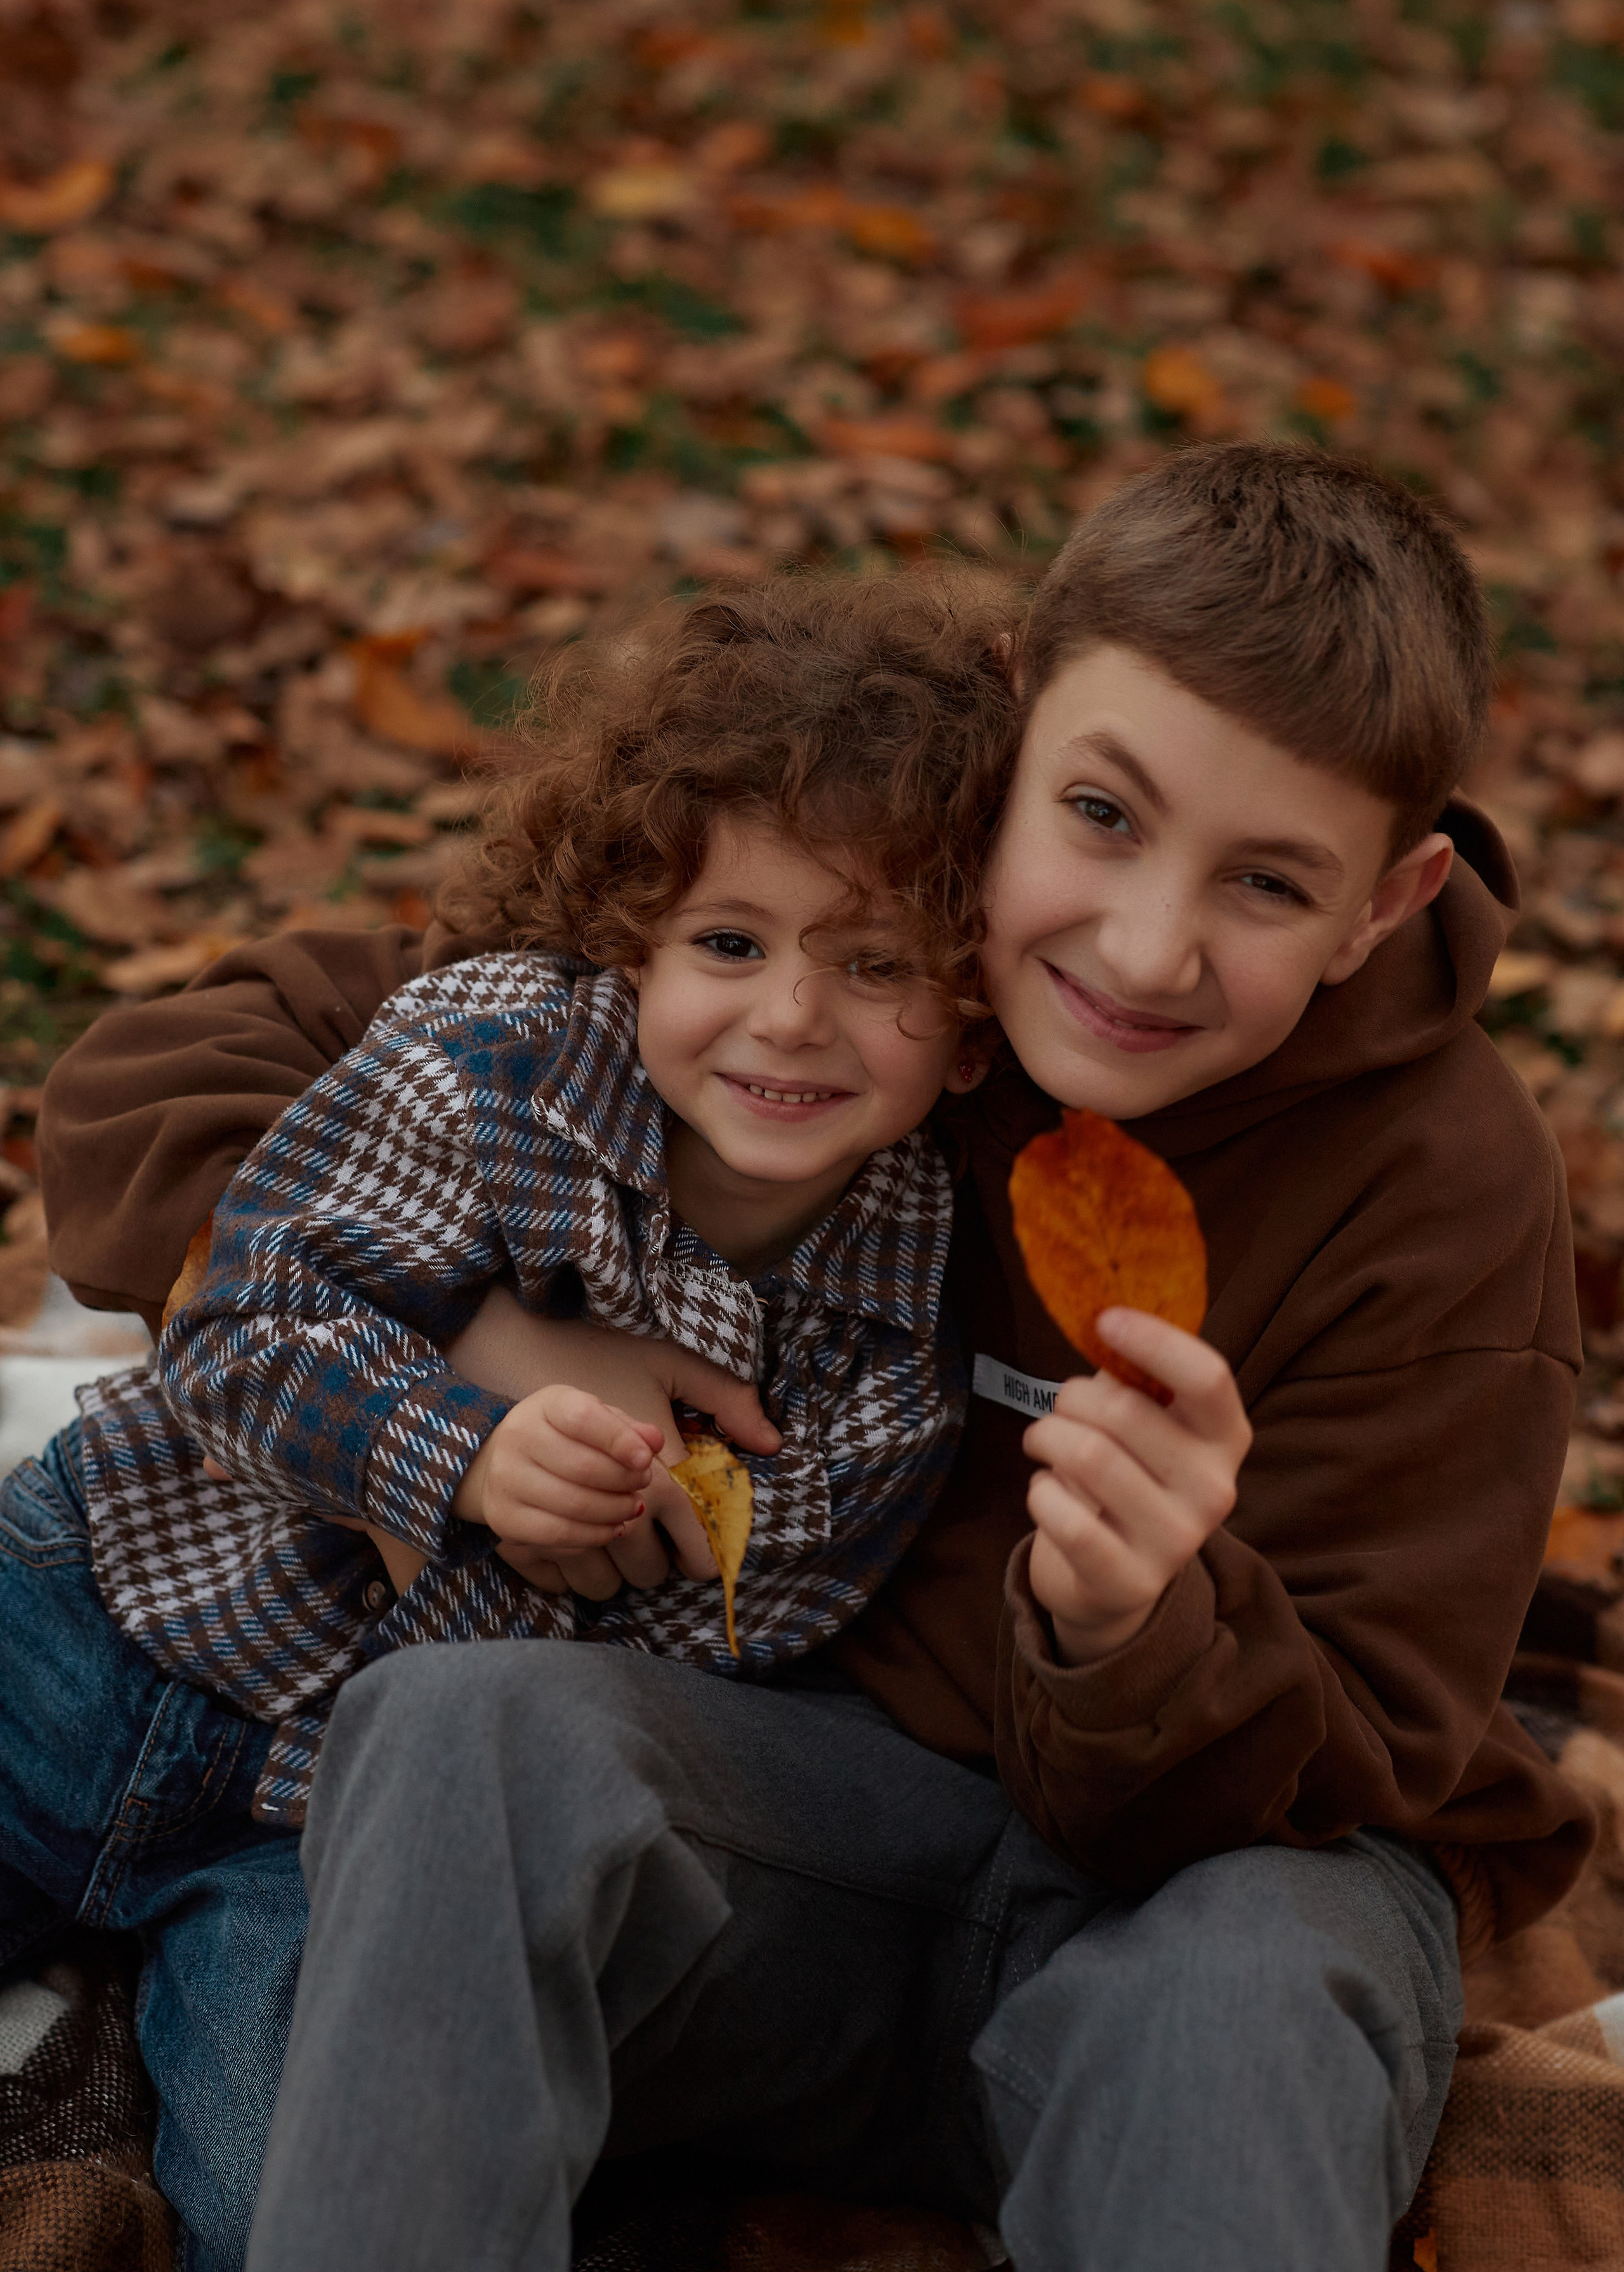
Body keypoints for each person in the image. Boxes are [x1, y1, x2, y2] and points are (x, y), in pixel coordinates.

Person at [37, 443, 1594, 2272]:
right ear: (1013, 725)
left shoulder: (1450, 1195)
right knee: (459, 1730)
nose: (1143, 947)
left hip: (1220, 1888)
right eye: (1101, 814)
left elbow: (1372, 1746)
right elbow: (203, 1072)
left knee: (1250, 1987)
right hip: (792, 1835)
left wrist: (1135, 1629)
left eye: (1268, 883)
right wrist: (486, 1338)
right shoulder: (835, 956)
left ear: (1386, 904)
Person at [1, 573, 1017, 2272]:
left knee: (308, 2197)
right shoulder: (499, 1059)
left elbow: (721, 1650)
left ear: (974, 1026)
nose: (790, 1017)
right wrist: (458, 1444)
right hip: (99, 1630)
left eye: (877, 966)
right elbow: (245, 1319)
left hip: (313, 1844)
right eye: (731, 944)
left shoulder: (897, 1339)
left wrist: (575, 1530)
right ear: (634, 935)